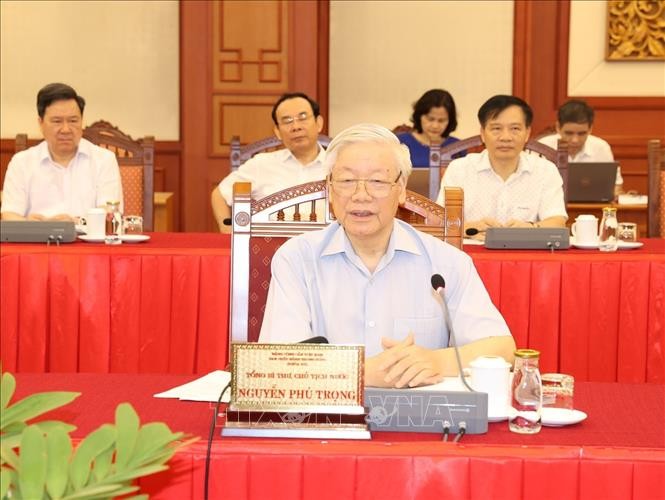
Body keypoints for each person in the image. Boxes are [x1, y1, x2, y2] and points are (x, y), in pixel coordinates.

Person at [259, 123, 515, 389]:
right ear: (329, 189)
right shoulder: (296, 259)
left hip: (420, 421)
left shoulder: (446, 263)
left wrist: (436, 362)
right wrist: (361, 373)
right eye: (347, 181)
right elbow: (279, 361)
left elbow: (502, 348)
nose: (361, 196)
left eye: (378, 182)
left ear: (401, 188)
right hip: (328, 419)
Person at [436, 95, 567, 235]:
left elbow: (557, 222)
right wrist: (470, 228)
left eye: (515, 129)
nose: (506, 137)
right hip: (470, 254)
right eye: (496, 128)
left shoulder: (545, 170)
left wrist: (531, 228)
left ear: (527, 133)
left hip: (524, 253)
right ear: (482, 133)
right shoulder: (459, 169)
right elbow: (439, 222)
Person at [1, 83, 122, 221]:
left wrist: (77, 223)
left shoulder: (104, 160)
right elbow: (9, 215)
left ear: (82, 121)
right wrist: (32, 226)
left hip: (86, 241)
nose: (66, 129)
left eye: (73, 121)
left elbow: (110, 213)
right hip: (38, 241)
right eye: (57, 121)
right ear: (40, 123)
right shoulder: (22, 162)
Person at [211, 92, 327, 232]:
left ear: (318, 123)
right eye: (287, 121)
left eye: (302, 117)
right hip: (272, 249)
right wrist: (227, 232)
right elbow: (220, 194)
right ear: (277, 131)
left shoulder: (338, 165)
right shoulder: (261, 164)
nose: (296, 126)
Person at [396, 89, 461, 167]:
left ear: (450, 121)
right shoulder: (399, 143)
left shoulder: (458, 146)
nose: (435, 126)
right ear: (419, 116)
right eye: (430, 119)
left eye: (441, 120)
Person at [538, 99, 614, 162]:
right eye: (569, 133)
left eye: (581, 134)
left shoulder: (601, 148)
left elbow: (614, 180)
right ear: (558, 127)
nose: (575, 140)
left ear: (590, 129)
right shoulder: (542, 147)